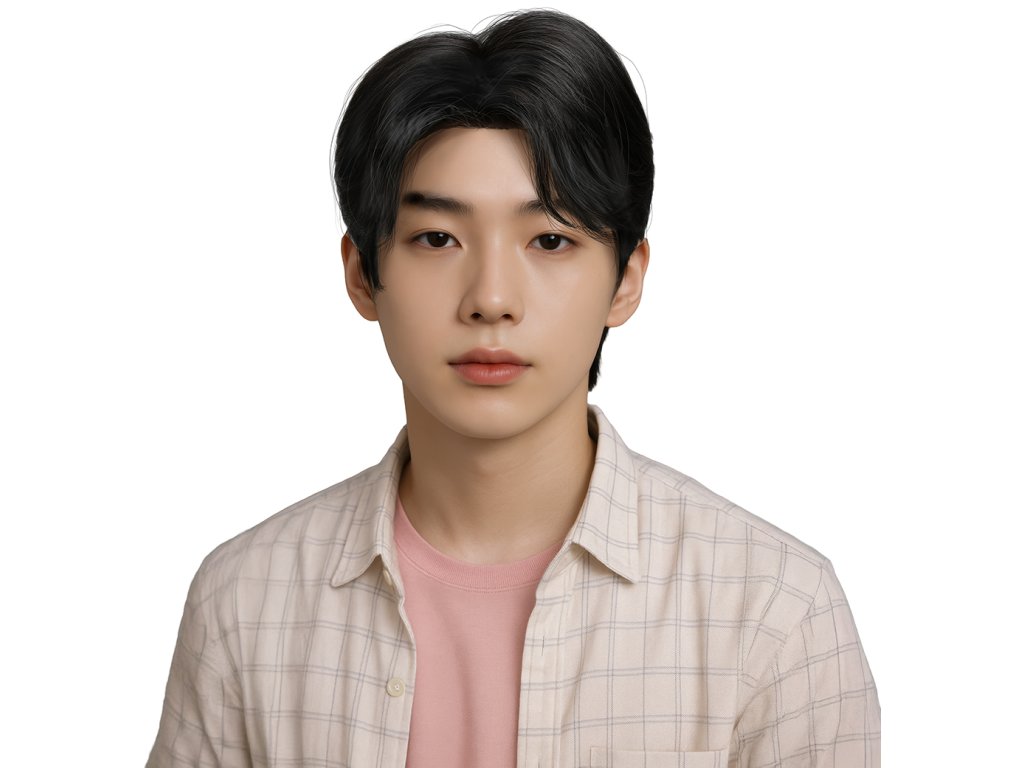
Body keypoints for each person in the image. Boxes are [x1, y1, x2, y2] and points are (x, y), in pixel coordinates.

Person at [148, 10, 880, 767]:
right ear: (363, 274)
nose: (491, 298)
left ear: (626, 281)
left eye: (551, 240)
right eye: (437, 238)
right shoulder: (245, 600)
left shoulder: (774, 609)